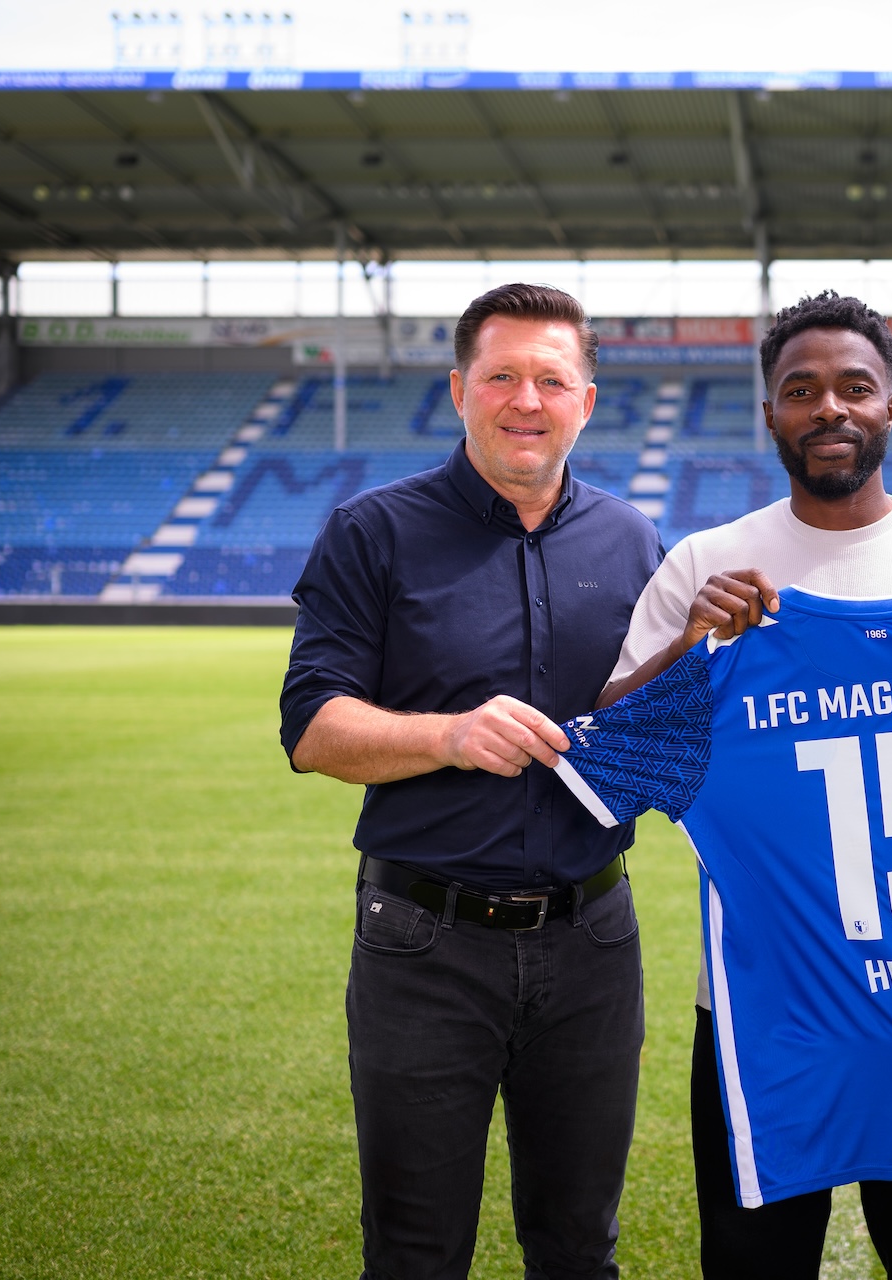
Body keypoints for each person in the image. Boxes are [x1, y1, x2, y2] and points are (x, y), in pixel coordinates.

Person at [601, 290, 892, 1280]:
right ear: (772, 412)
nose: (830, 407)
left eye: (854, 386)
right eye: (801, 389)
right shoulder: (706, 564)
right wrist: (692, 643)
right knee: (750, 1261)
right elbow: (609, 749)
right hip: (761, 1002)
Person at [279, 283, 663, 1280]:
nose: (524, 399)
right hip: (425, 944)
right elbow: (313, 728)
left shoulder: (634, 541)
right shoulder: (373, 531)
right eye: (501, 375)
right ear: (459, 389)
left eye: (550, 379)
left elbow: (665, 724)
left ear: (586, 399)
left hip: (593, 941)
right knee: (414, 1251)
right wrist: (451, 733)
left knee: (580, 1247)